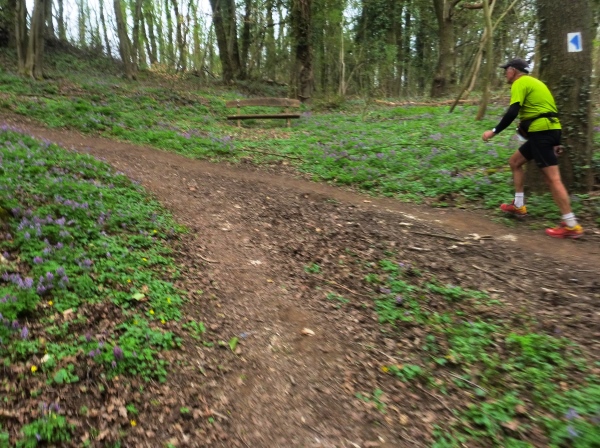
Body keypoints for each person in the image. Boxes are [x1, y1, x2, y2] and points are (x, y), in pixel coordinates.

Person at [482, 58, 584, 239]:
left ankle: (571, 225)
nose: (505, 74)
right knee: (515, 162)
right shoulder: (536, 82)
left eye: (506, 70)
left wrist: (494, 131)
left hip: (541, 132)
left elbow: (513, 111)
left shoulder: (520, 83)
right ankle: (518, 205)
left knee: (553, 179)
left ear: (513, 70)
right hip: (549, 130)